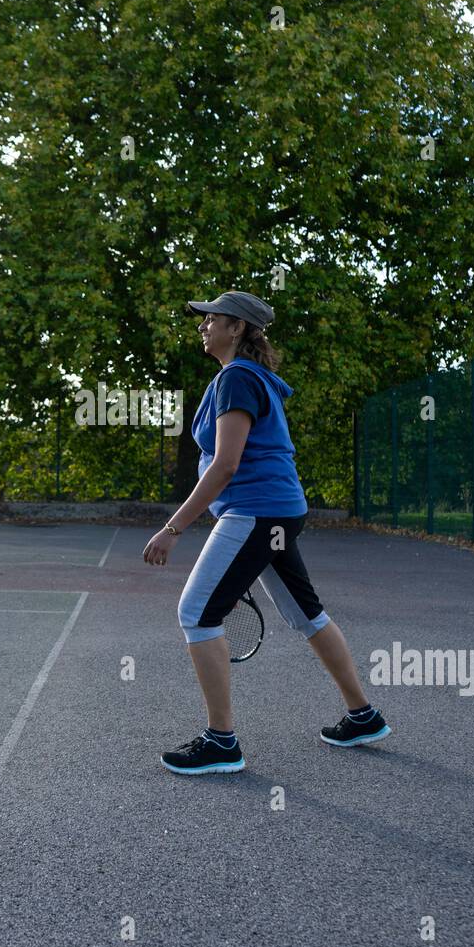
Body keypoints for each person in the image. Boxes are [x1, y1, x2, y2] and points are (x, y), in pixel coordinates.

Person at [142, 290, 391, 775]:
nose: (203, 325)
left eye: (211, 318)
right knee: (307, 614)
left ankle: (221, 743)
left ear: (236, 328)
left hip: (256, 512)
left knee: (196, 614)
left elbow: (226, 465)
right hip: (279, 512)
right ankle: (363, 716)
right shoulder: (245, 377)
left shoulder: (237, 377)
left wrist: (173, 528)